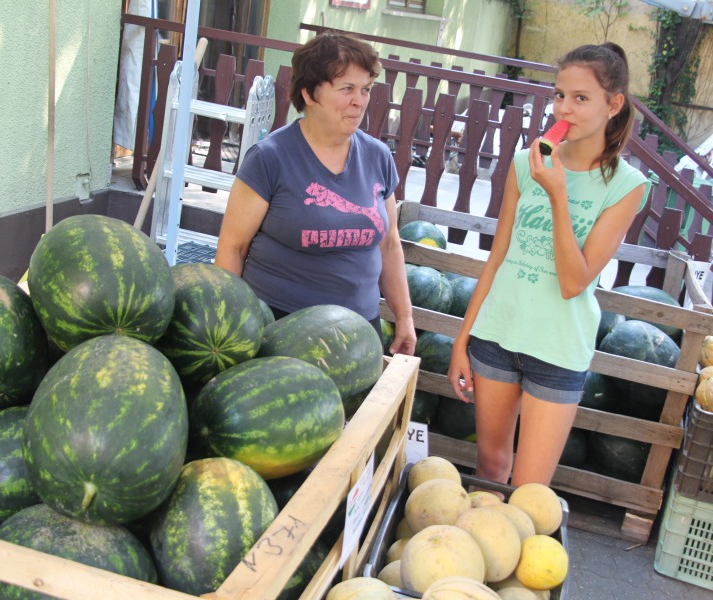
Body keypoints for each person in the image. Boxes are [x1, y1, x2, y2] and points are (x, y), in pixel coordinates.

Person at [447, 42, 649, 487]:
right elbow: (497, 259)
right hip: (496, 336)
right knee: (490, 472)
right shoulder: (525, 163)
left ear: (613, 105)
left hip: (557, 350)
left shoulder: (626, 185)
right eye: (559, 95)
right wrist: (462, 340)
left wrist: (558, 193)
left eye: (581, 98)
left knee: (529, 491)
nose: (564, 108)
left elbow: (575, 282)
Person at [214, 31, 416, 356]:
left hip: (360, 335)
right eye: (347, 88)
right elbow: (233, 248)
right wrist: (226, 327)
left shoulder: (378, 157)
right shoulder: (270, 158)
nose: (359, 100)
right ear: (309, 93)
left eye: (365, 90)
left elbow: (390, 244)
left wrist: (404, 316)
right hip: (279, 332)